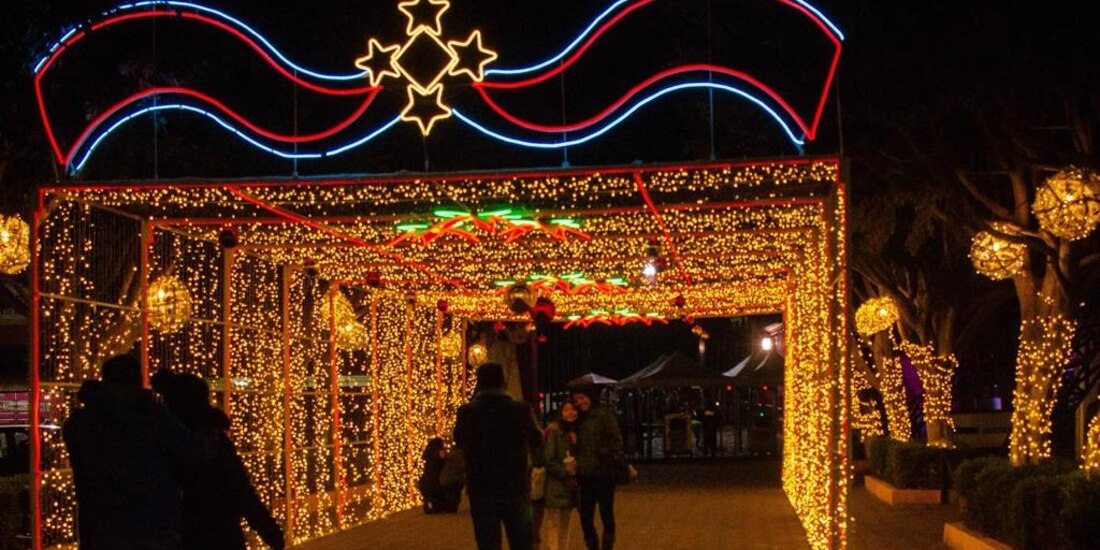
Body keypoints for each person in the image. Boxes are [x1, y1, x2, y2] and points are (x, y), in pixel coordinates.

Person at [63, 354, 213, 550]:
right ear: (137, 380)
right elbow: (195, 450)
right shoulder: (150, 416)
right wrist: (211, 424)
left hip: (101, 526)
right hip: (152, 525)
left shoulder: (83, 422)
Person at [152, 371, 284, 550]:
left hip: (181, 535)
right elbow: (241, 490)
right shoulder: (214, 439)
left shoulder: (161, 439)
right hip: (222, 533)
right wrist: (270, 531)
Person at [453, 363, 542, 550]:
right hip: (515, 485)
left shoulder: (467, 412)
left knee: (488, 541)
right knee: (521, 541)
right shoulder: (521, 410)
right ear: (503, 382)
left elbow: (459, 442)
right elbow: (536, 440)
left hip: (481, 487)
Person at [572, 387, 623, 550]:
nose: (579, 402)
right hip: (584, 475)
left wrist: (603, 452)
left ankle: (608, 544)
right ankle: (592, 545)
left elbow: (617, 441)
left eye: (582, 397)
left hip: (603, 472)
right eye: (576, 400)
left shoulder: (604, 415)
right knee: (585, 516)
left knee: (606, 512)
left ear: (590, 397)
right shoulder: (577, 420)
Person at [541, 402, 580, 550]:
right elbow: (548, 458)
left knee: (566, 521)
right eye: (566, 410)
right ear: (561, 413)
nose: (570, 413)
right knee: (553, 522)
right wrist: (564, 471)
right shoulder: (556, 432)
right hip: (556, 484)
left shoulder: (578, 432)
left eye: (573, 410)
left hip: (571, 485)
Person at [418, 437, 462, 513]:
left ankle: (432, 506)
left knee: (431, 498)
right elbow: (444, 458)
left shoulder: (428, 455)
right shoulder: (439, 452)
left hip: (425, 481)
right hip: (436, 481)